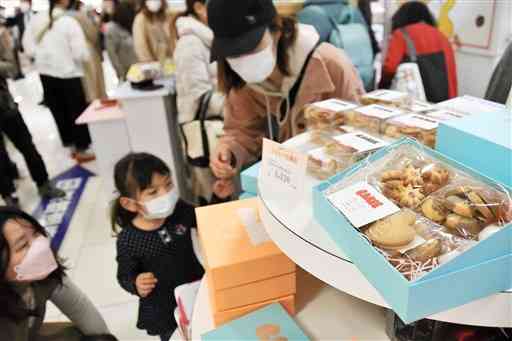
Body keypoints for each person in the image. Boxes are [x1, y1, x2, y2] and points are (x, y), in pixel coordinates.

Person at [207, 0, 364, 196]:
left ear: (277, 30)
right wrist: (228, 150)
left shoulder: (332, 64)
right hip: (286, 184)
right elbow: (242, 131)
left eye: (251, 46)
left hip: (334, 185)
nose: (243, 59)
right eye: (233, 52)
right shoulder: (242, 81)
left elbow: (360, 130)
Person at [111, 153, 204, 341]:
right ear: (129, 203)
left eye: (168, 184)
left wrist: (219, 196)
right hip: (164, 308)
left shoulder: (180, 210)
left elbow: (206, 220)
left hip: (195, 290)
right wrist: (135, 283)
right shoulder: (128, 239)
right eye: (153, 192)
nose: (166, 194)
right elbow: (124, 275)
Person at [0, 206, 118, 340]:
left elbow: (78, 306)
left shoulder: (43, 274)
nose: (40, 246)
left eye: (36, 234)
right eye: (22, 245)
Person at [23, 0, 95, 163]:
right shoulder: (69, 21)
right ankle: (82, 148)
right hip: (69, 74)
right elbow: (80, 53)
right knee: (76, 111)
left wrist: (44, 57)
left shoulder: (35, 19)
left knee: (58, 110)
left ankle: (69, 145)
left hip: (46, 74)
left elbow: (27, 47)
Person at [0, 24, 65, 205]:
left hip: (6, 107)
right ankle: (8, 194)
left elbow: (12, 68)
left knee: (27, 146)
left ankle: (43, 184)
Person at [173, 0, 225, 203]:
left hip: (216, 125)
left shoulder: (209, 37)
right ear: (198, 7)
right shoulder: (190, 43)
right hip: (204, 129)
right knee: (212, 193)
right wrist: (234, 107)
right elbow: (199, 95)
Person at [378, 1, 457, 103]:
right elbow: (451, 74)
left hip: (413, 102)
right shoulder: (441, 36)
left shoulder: (401, 35)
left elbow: (390, 68)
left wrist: (381, 89)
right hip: (442, 100)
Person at [69, 0, 107, 102]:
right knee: (94, 84)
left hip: (72, 56)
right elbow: (93, 35)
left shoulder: (63, 17)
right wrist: (97, 23)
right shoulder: (80, 16)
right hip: (88, 52)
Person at [105, 1, 137, 81]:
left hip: (138, 68)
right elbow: (112, 54)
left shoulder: (132, 27)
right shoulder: (112, 29)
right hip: (126, 72)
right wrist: (120, 73)